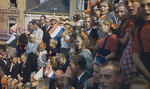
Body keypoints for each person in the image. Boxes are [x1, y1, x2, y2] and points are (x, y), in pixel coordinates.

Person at [133, 0, 150, 79]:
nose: (146, 8)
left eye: (149, 4)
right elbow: (136, 56)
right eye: (143, 6)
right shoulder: (139, 29)